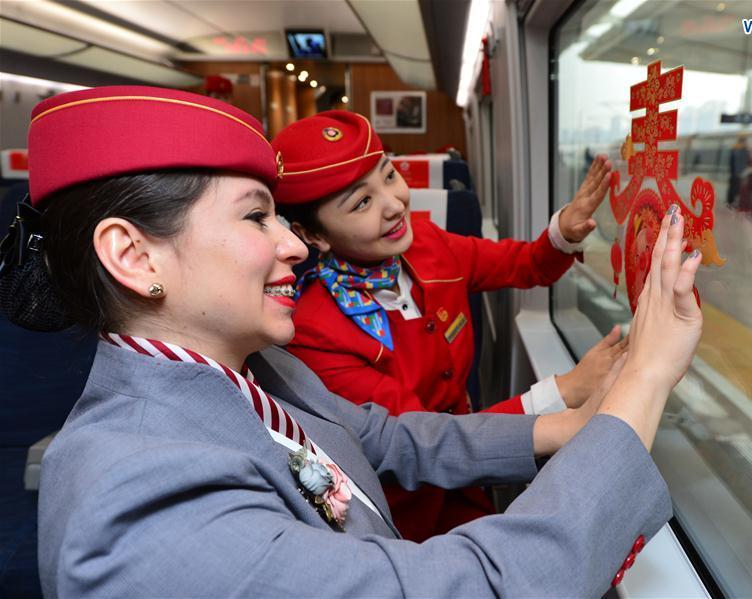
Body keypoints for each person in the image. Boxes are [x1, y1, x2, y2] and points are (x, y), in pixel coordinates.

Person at [3, 86, 703, 597]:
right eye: (256, 218)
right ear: (134, 257)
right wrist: (645, 376)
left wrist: (571, 424)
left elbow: (390, 439)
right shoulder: (139, 509)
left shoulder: (258, 371)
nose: (294, 248)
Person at [272, 111, 628, 540]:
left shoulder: (429, 244)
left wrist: (565, 231)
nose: (394, 204)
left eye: (389, 176)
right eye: (362, 203)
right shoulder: (314, 332)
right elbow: (421, 440)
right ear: (312, 236)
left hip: (471, 482)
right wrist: (563, 391)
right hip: (405, 515)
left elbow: (525, 264)